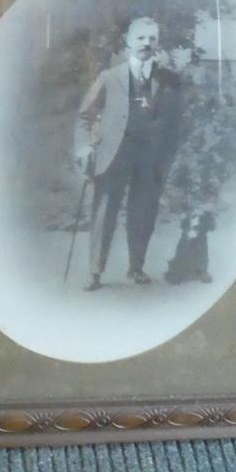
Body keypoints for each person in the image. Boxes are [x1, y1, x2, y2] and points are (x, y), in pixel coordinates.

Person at [75, 15, 182, 291]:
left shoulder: (168, 80)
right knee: (103, 213)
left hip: (149, 158)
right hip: (113, 155)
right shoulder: (110, 77)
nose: (146, 43)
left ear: (158, 43)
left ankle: (136, 269)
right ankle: (94, 272)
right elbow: (85, 115)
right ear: (129, 41)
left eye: (152, 38)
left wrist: (167, 157)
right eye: (141, 38)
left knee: (143, 213)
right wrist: (86, 145)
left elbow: (176, 123)